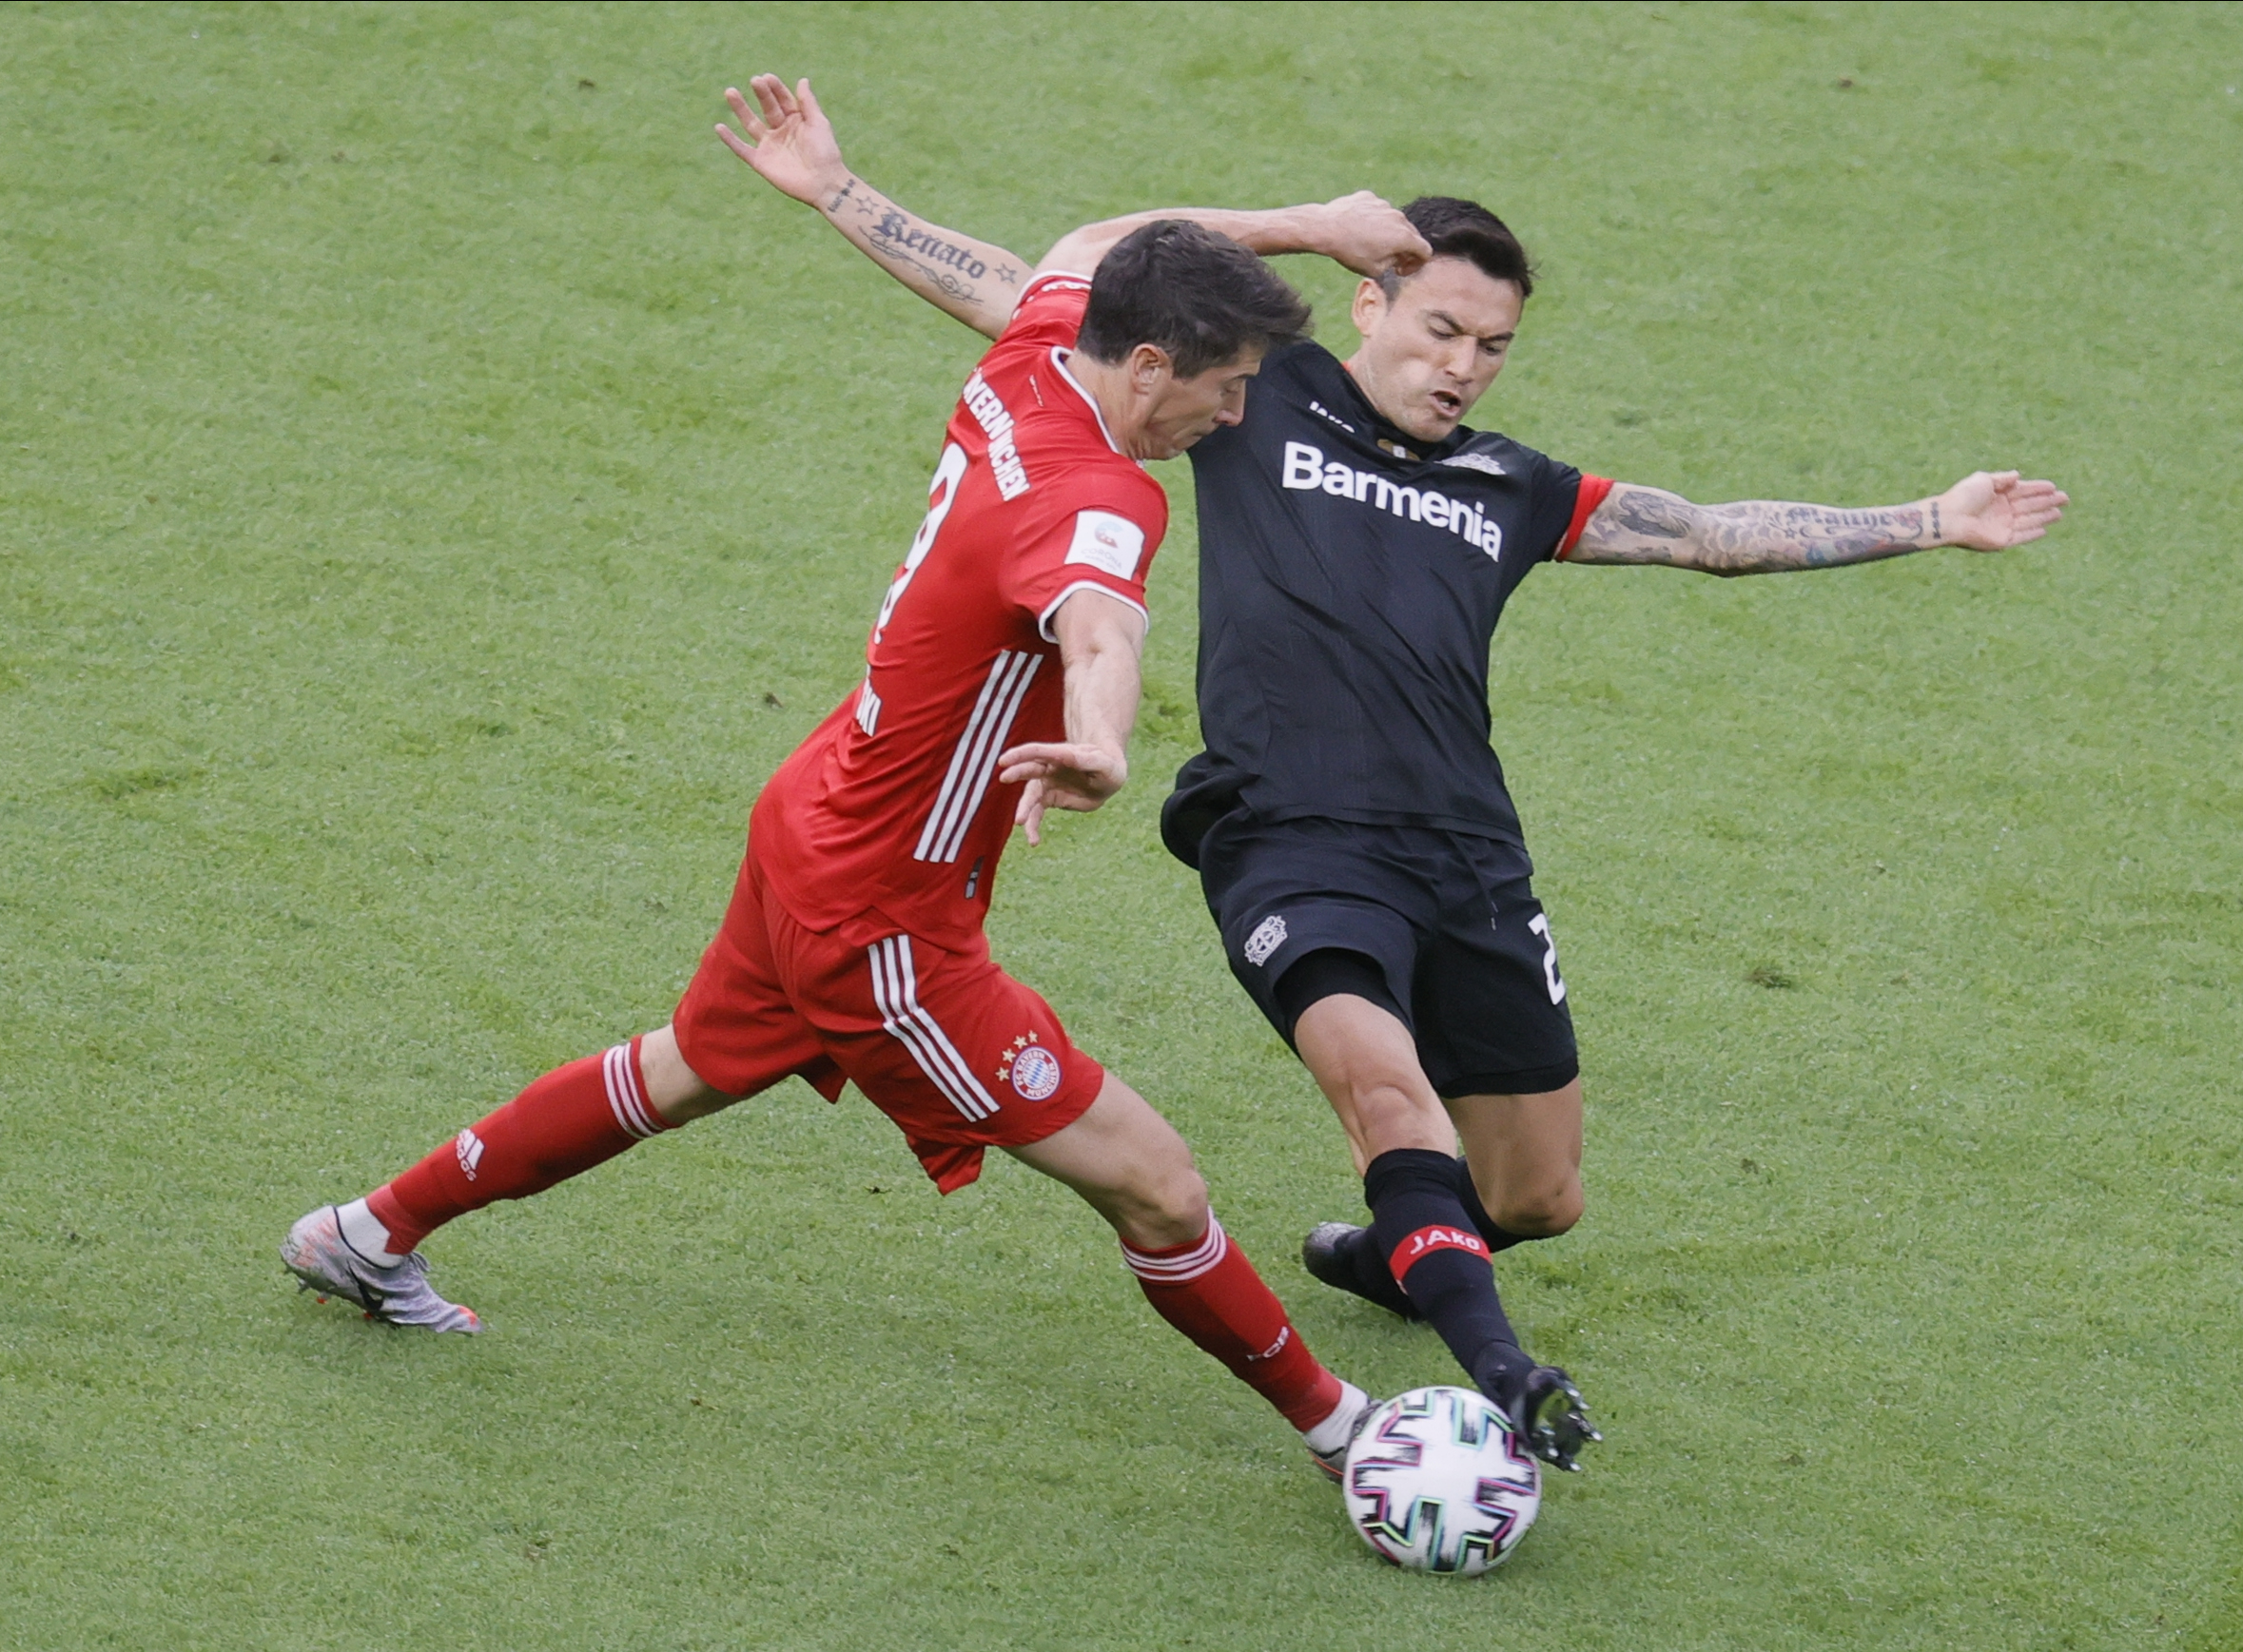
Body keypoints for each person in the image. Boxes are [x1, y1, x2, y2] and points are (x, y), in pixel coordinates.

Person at [763, 87, 2068, 1471]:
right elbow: (1063, 284)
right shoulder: (1255, 396)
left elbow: (1711, 534)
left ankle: (1406, 1253)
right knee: (1390, 1098)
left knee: (1539, 1191)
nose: (1461, 365)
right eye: (1439, 327)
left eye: (1491, 347)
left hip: (1465, 853)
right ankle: (1498, 1374)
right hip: (1286, 836)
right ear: (1368, 302)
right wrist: (841, 191)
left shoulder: (1512, 484)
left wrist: (1931, 518)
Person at [281, 72, 1428, 1478]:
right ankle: (1348, 1433)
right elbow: (1100, 620)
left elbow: (1092, 242)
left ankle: (366, 1230)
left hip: (820, 807)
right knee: (1152, 1179)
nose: (1238, 416)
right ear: (1148, 368)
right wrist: (1107, 733)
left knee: (688, 1066)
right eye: (1226, 385)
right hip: (884, 913)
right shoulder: (1101, 496)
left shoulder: (1046, 348)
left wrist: (840, 191)